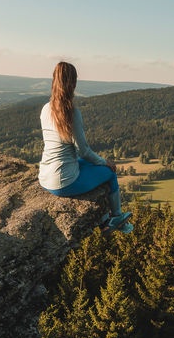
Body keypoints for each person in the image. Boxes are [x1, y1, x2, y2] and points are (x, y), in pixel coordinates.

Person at [39, 61, 133, 233]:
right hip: (63, 182)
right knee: (109, 173)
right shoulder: (72, 113)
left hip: (44, 177)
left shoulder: (46, 108)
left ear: (54, 80)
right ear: (73, 83)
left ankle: (104, 218)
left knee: (90, 164)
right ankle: (116, 217)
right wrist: (105, 162)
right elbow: (83, 151)